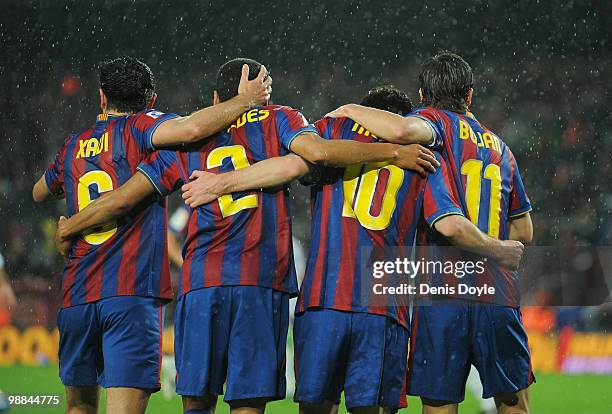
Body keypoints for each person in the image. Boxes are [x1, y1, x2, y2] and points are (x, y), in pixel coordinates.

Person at [54, 58, 437, 414]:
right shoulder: (282, 120)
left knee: (197, 403)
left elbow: (123, 198)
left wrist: (71, 224)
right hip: (260, 281)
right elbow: (314, 155)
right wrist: (391, 152)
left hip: (202, 283)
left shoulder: (188, 139)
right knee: (248, 403)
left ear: (217, 98)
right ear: (262, 93)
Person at [33, 56, 271, 414]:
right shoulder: (142, 127)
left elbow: (40, 191)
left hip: (77, 295)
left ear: (101, 98)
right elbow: (191, 129)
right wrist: (246, 100)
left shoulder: (72, 144)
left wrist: (68, 219)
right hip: (130, 293)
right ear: (152, 100)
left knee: (78, 408)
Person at [327, 51, 533, 414]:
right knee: (513, 403)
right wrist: (498, 247)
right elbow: (524, 230)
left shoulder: (431, 123)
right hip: (497, 291)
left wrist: (347, 109)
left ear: (422, 94)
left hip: (442, 291)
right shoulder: (502, 149)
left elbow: (402, 131)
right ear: (470, 95)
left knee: (439, 405)